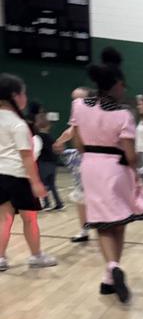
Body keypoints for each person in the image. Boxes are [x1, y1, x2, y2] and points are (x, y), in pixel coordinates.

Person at [69, 48, 143, 302]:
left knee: (102, 222)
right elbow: (130, 155)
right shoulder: (122, 114)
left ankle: (110, 272)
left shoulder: (79, 106)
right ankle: (113, 268)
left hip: (91, 167)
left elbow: (78, 142)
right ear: (117, 85)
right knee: (119, 220)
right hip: (116, 169)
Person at [0, 73, 56, 271]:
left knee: (4, 219)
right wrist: (36, 182)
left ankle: (1, 258)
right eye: (24, 93)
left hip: (0, 176)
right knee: (29, 218)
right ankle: (36, 256)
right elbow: (26, 157)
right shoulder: (18, 124)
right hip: (18, 176)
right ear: (15, 96)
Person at [54, 87, 92, 242]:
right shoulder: (78, 115)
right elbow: (71, 131)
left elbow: (71, 132)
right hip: (83, 158)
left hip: (97, 159)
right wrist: (59, 142)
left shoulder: (94, 113)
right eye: (74, 99)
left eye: (80, 98)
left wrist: (59, 141)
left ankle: (108, 231)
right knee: (81, 196)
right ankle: (84, 230)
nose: (76, 102)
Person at [35, 113, 64, 211]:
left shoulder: (37, 137)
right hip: (53, 164)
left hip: (42, 164)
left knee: (43, 184)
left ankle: (47, 204)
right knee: (52, 185)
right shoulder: (51, 138)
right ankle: (59, 203)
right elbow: (56, 150)